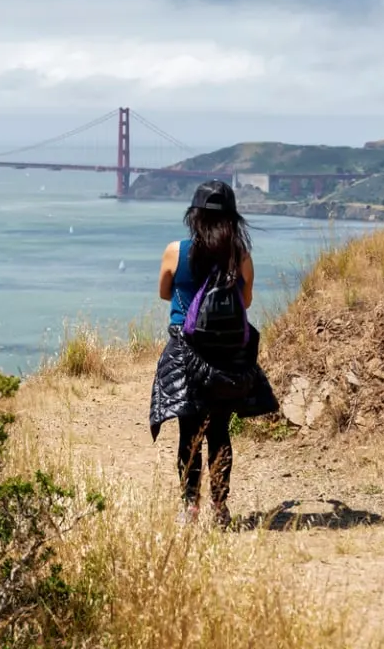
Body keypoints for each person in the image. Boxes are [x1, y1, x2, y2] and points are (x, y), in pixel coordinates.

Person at [149, 179, 277, 528]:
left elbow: (164, 292)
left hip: (186, 352)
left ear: (195, 215)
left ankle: (190, 509)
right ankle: (220, 509)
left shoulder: (176, 250)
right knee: (219, 431)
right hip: (227, 358)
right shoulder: (240, 255)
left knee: (189, 433)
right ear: (233, 218)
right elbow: (246, 302)